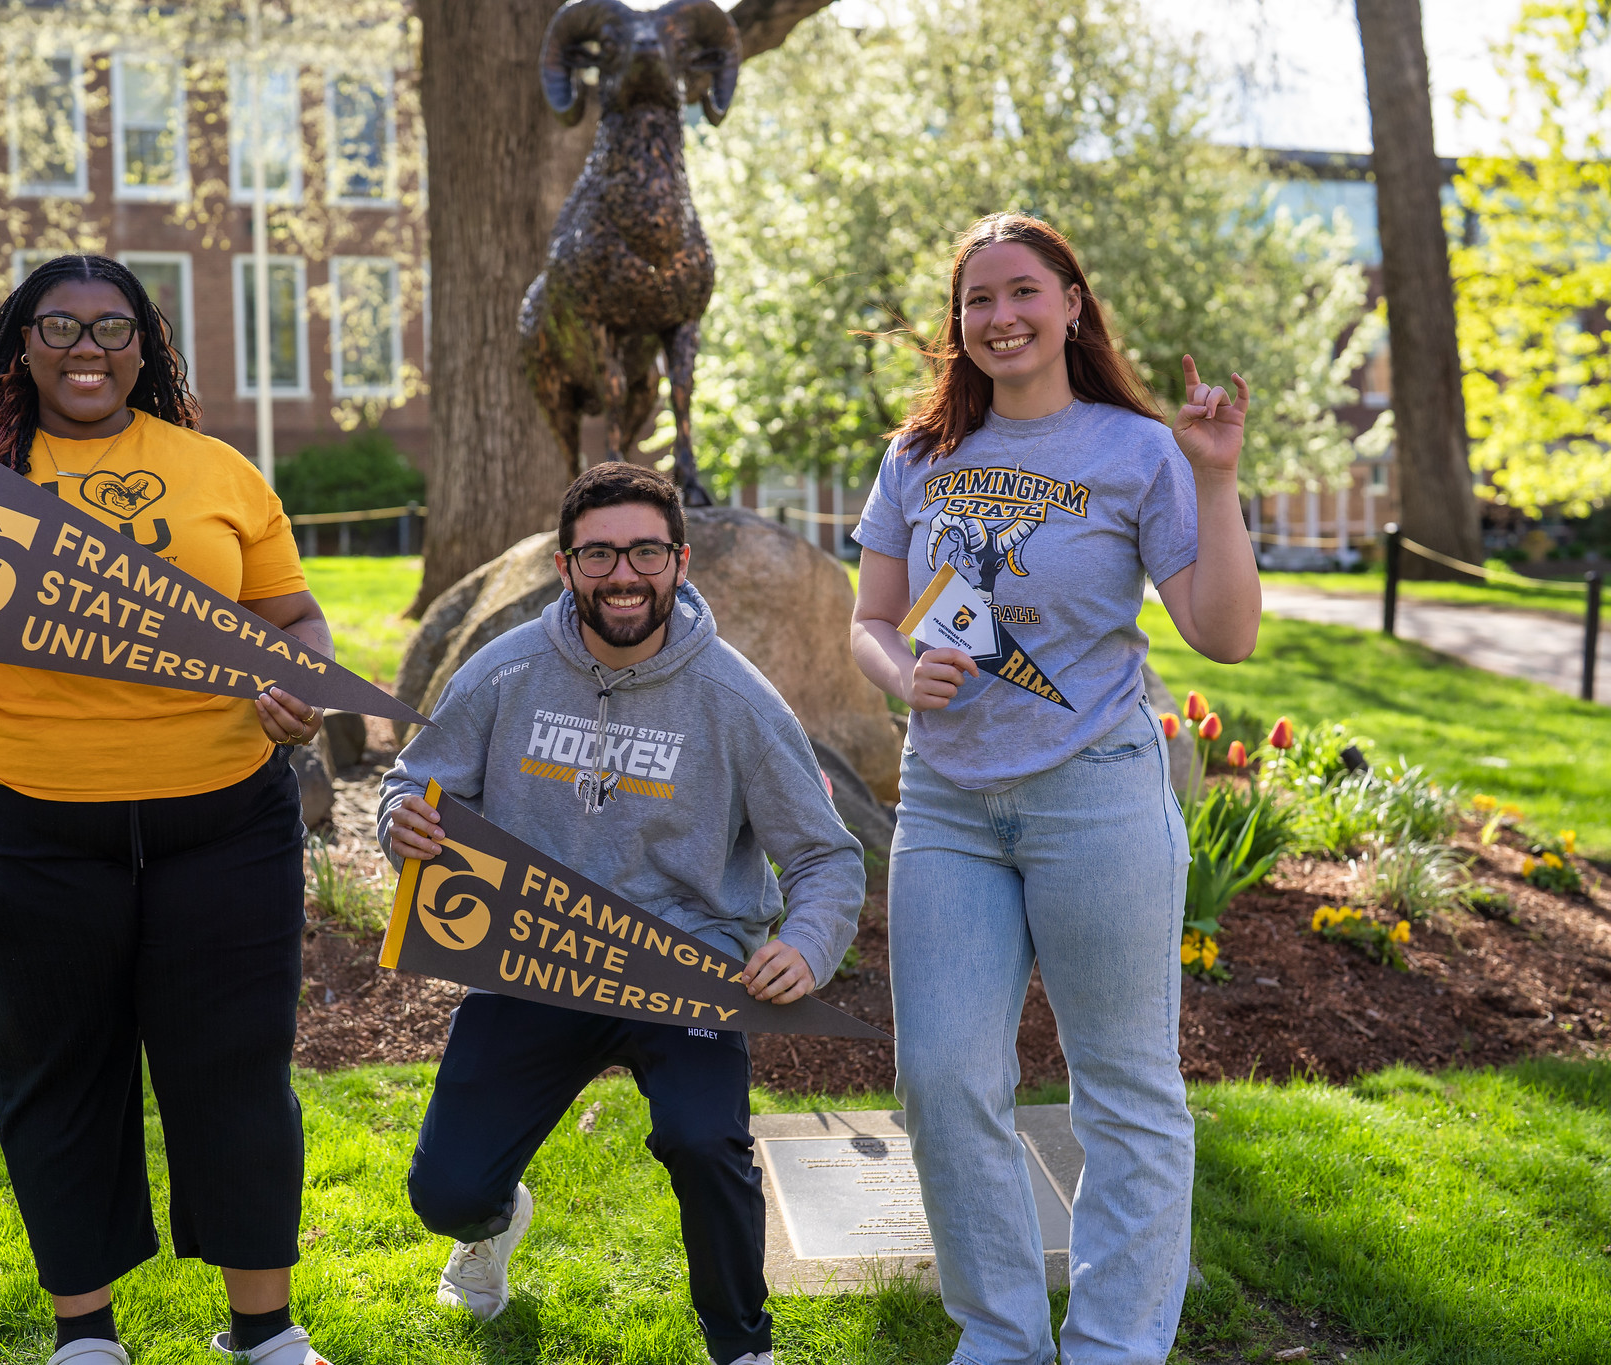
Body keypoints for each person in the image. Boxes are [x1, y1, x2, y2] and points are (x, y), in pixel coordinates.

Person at [0, 255, 338, 1365]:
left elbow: (294, 620)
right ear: (22, 345)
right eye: (59, 326)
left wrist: (304, 689)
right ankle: (86, 1335)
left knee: (234, 1064)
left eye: (113, 329)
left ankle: (264, 1330)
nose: (86, 349)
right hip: (13, 822)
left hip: (220, 818)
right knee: (56, 1062)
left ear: (146, 348)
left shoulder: (218, 472)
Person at [848, 212, 1261, 1365]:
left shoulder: (1138, 453)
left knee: (1123, 1088)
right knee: (939, 1079)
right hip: (945, 802)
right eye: (977, 301)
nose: (1000, 318)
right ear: (958, 323)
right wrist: (900, 672)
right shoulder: (917, 458)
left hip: (1096, 791)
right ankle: (999, 1336)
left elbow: (1223, 636)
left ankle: (1114, 1346)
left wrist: (1214, 478)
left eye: (1022, 292)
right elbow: (870, 620)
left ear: (1071, 304)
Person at [378, 462, 866, 1365]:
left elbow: (827, 854)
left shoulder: (737, 699)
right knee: (445, 1190)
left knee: (703, 1138)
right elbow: (416, 779)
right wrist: (400, 817)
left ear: (680, 562)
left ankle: (742, 1346)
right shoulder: (508, 669)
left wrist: (805, 943)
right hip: (537, 953)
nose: (622, 573)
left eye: (644, 550)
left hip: (687, 964)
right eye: (598, 553)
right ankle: (490, 1222)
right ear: (564, 568)